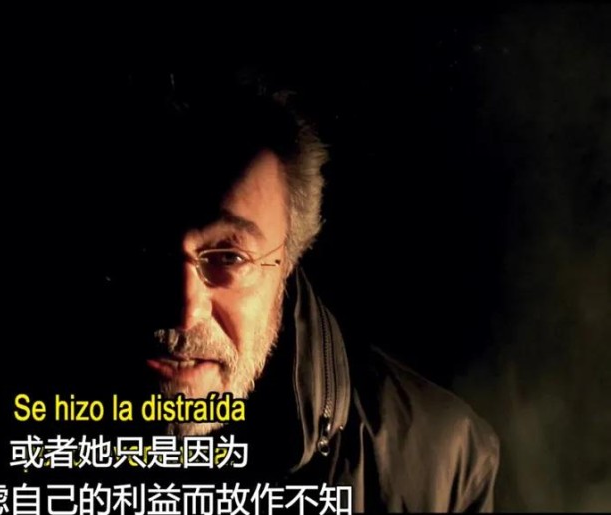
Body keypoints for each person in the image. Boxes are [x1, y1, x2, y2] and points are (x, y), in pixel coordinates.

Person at [92, 68, 501, 512]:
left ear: (289, 259)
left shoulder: (440, 458)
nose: (185, 309)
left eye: (229, 258)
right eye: (148, 250)